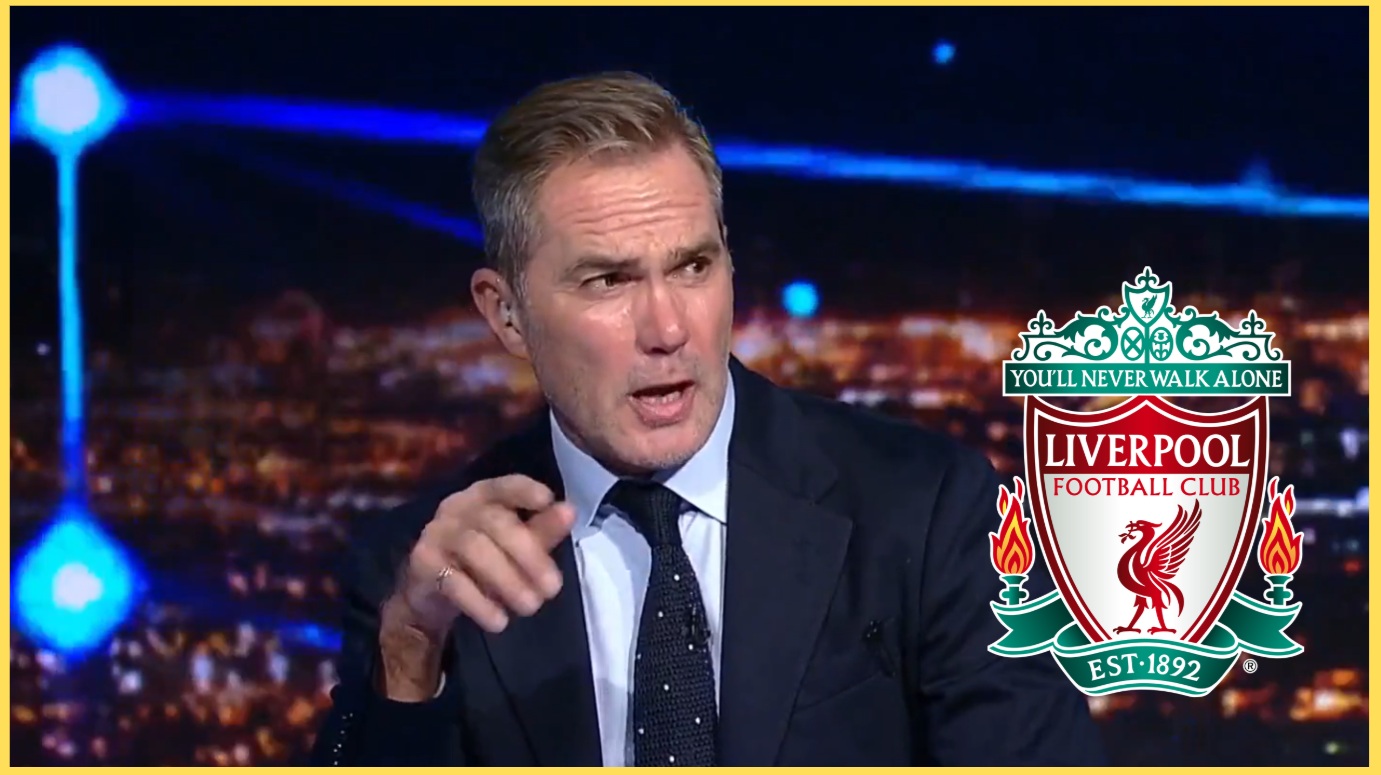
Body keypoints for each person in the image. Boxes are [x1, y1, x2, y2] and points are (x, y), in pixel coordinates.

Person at [310, 71, 1104, 767]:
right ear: (505, 312)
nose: (667, 328)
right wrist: (410, 650)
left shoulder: (927, 510)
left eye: (692, 265)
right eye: (608, 281)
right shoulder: (416, 576)